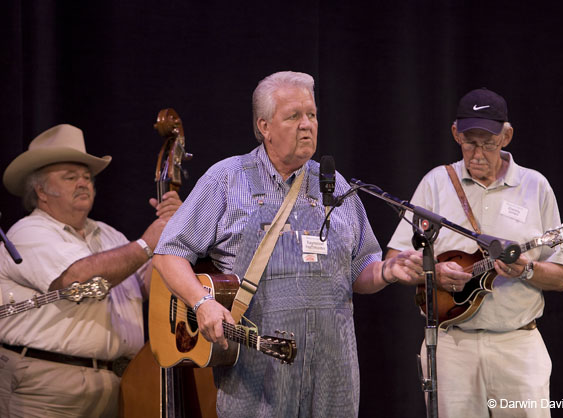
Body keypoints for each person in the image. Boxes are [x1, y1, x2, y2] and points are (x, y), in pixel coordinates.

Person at [152, 71, 423, 418]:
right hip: (257, 372)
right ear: (264, 126)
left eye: (311, 115)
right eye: (293, 116)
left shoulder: (335, 186)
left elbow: (359, 272)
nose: (307, 125)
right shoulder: (227, 179)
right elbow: (168, 253)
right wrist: (202, 302)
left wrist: (387, 271)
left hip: (333, 373)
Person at [386, 88, 563, 417]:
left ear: (507, 135)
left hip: (517, 344)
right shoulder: (435, 183)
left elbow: (561, 277)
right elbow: (395, 259)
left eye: (489, 142)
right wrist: (434, 274)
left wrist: (527, 269)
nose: (478, 153)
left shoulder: (536, 186)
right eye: (470, 141)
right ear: (455, 133)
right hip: (450, 345)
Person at [0, 124, 181, 417]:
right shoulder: (29, 232)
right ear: (41, 192)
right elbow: (75, 279)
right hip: (47, 387)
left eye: (87, 177)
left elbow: (149, 287)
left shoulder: (109, 235)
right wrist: (147, 243)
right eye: (70, 177)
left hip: (114, 383)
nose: (83, 183)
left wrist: (173, 235)